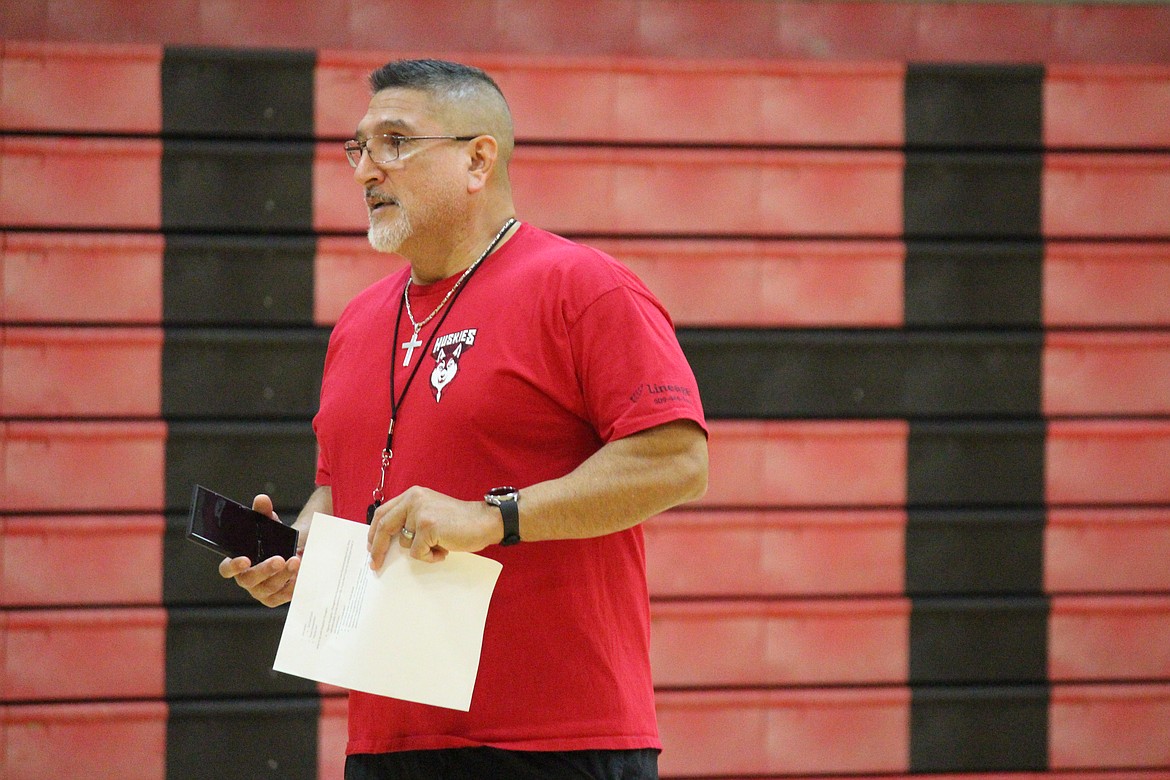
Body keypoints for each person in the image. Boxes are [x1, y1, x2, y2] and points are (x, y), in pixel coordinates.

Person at [220, 58, 708, 779]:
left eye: (395, 142)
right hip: (388, 741)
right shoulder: (357, 324)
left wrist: (493, 516)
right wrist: (300, 548)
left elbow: (677, 461)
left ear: (478, 159)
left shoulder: (584, 287)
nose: (366, 171)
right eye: (360, 148)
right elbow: (343, 490)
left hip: (556, 742)